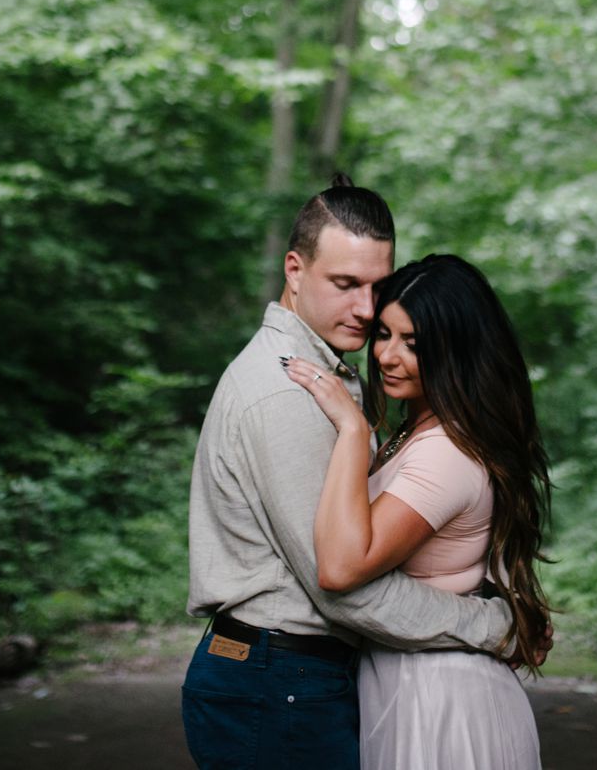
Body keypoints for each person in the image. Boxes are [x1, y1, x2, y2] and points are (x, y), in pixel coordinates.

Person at [182, 177, 516, 770]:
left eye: (376, 287)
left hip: (289, 675)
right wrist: (490, 625)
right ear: (294, 269)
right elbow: (341, 586)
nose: (366, 310)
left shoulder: (327, 377)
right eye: (344, 285)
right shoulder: (288, 392)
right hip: (278, 678)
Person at [284, 253, 550, 770]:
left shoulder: (445, 450)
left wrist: (354, 430)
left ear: (458, 352)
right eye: (384, 334)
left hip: (441, 697)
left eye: (414, 344)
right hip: (410, 680)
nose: (386, 356)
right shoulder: (420, 429)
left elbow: (340, 567)